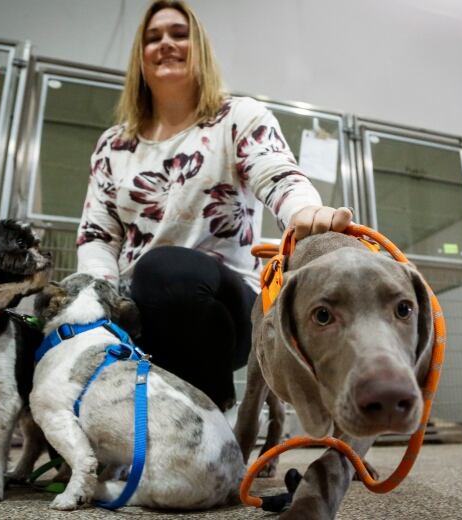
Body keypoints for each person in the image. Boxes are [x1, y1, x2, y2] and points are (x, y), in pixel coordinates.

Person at [76, 0, 352, 410]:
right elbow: (98, 236)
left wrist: (304, 211)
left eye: (178, 34)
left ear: (199, 47)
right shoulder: (113, 145)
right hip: (135, 310)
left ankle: (210, 414)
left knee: (166, 271)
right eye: (153, 38)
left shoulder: (238, 116)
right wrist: (97, 304)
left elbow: (276, 173)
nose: (166, 44)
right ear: (141, 58)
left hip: (225, 307)